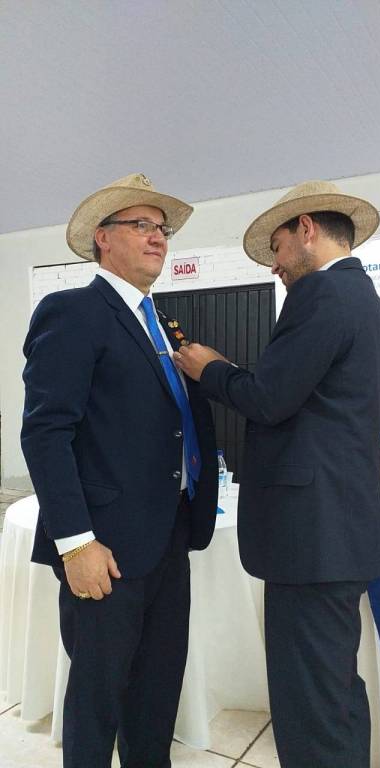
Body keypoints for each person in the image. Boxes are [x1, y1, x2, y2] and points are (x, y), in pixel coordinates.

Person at [174, 180, 380, 768]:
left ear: (307, 229)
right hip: (336, 533)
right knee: (333, 692)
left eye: (276, 248)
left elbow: (270, 399)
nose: (274, 266)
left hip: (311, 539)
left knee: (309, 703)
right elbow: (295, 392)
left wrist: (210, 369)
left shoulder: (322, 293)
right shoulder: (358, 295)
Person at [21, 172, 218, 768]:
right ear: (103, 238)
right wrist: (75, 541)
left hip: (169, 535)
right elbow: (46, 432)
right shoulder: (73, 311)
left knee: (157, 696)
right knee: (97, 701)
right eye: (142, 225)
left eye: (162, 228)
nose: (158, 237)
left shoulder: (158, 322)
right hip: (104, 546)